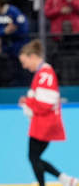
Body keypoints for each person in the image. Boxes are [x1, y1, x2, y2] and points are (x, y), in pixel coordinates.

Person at [18, 41, 78, 186]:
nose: (24, 67)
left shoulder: (45, 73)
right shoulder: (43, 72)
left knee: (33, 157)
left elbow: (45, 103)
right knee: (34, 157)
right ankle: (65, 179)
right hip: (45, 122)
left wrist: (28, 102)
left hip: (44, 123)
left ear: (32, 56)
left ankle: (56, 181)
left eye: (25, 62)